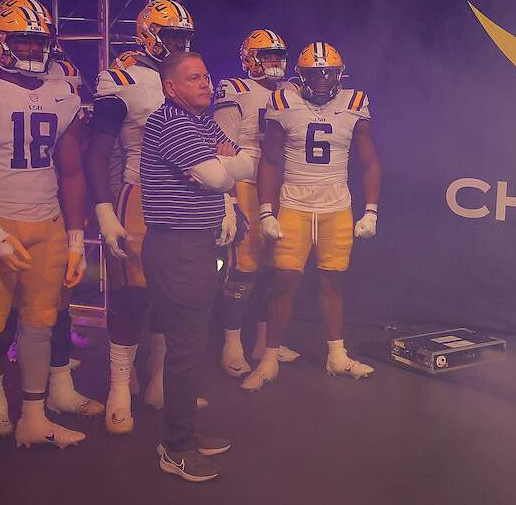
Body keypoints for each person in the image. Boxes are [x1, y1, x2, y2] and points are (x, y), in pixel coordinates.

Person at [0, 0, 92, 474]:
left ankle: (33, 418)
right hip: (1, 220)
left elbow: (72, 172)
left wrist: (76, 238)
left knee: (39, 326)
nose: (34, 48)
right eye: (23, 39)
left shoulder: (62, 90)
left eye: (39, 39)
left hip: (48, 221)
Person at [85, 0, 200, 435]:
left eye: (182, 37)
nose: (176, 44)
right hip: (140, 196)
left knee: (173, 297)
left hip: (186, 198)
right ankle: (118, 389)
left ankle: (158, 383)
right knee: (131, 297)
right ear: (148, 33)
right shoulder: (122, 79)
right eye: (169, 35)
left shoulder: (190, 76)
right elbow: (97, 152)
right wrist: (104, 209)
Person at [242, 42, 381, 391]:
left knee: (333, 282)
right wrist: (265, 211)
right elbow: (269, 161)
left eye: (328, 72)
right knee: (284, 282)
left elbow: (370, 161)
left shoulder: (354, 102)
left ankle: (336, 354)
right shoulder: (284, 101)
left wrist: (371, 210)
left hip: (336, 205)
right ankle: (269, 358)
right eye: (314, 73)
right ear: (300, 75)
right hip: (295, 203)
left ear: (339, 73)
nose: (321, 80)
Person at [140, 49, 252, 481]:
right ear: (171, 87)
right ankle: (177, 447)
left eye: (206, 76)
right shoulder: (170, 122)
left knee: (191, 344)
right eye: (194, 78)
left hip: (197, 246)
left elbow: (243, 164)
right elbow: (222, 177)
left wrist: (216, 164)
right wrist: (216, 166)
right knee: (186, 349)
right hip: (177, 249)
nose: (206, 83)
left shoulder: (198, 121)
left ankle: (185, 431)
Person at [211, 29, 300, 376]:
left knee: (277, 267)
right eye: (268, 56)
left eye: (279, 56)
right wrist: (227, 200)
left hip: (284, 185)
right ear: (250, 59)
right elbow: (222, 146)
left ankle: (265, 341)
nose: (275, 63)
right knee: (245, 266)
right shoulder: (237, 90)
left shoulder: (293, 91)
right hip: (247, 182)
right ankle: (231, 342)